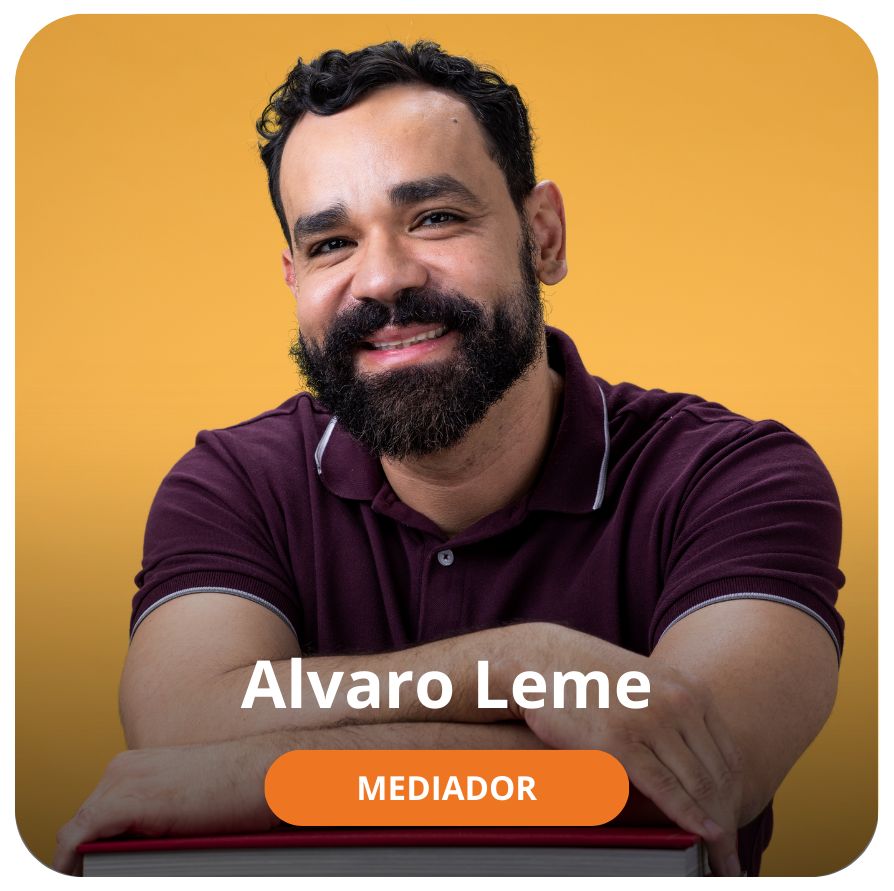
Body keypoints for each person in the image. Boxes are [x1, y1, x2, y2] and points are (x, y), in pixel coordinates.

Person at [54, 40, 844, 877]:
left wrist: (251, 771)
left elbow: (692, 772)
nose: (382, 279)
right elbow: (180, 728)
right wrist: (524, 668)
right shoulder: (235, 484)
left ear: (542, 237)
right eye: (331, 244)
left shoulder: (734, 477)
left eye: (434, 217)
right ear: (292, 276)